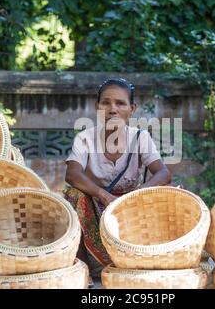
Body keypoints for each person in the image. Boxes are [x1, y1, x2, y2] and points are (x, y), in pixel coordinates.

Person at [63, 77, 171, 281]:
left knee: (172, 191)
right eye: (106, 102)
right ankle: (82, 271)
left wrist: (135, 194)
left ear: (132, 109)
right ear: (97, 107)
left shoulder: (140, 138)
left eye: (120, 103)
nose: (112, 109)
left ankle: (148, 259)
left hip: (131, 206)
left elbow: (163, 173)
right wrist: (104, 196)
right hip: (94, 206)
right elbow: (72, 174)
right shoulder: (85, 138)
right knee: (73, 195)